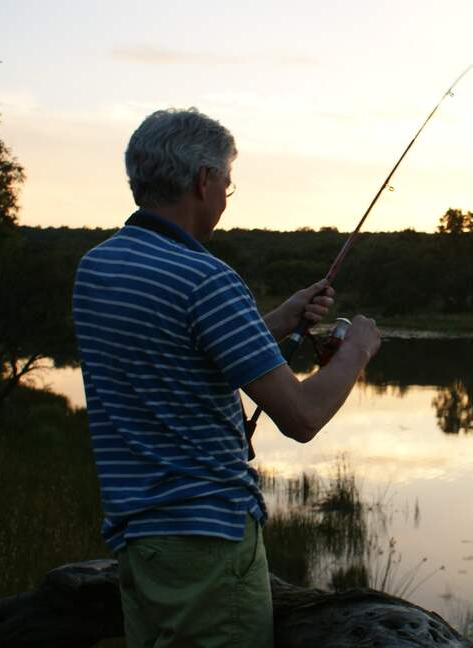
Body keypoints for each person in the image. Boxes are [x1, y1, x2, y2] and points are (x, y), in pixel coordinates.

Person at [72, 107, 381, 647]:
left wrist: (275, 320)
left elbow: (173, 354)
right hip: (207, 544)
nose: (225, 197)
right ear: (203, 180)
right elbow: (301, 418)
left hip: (139, 540)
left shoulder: (98, 267)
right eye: (227, 184)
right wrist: (356, 351)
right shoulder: (206, 279)